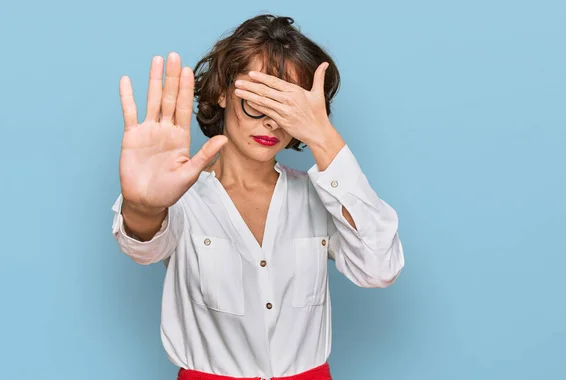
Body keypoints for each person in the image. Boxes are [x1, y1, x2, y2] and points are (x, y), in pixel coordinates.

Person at [111, 13, 404, 380]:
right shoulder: (183, 196)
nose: (270, 122)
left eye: (285, 107)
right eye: (257, 99)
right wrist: (143, 204)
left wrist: (324, 137)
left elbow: (380, 268)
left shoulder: (320, 198)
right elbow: (143, 246)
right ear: (222, 92)